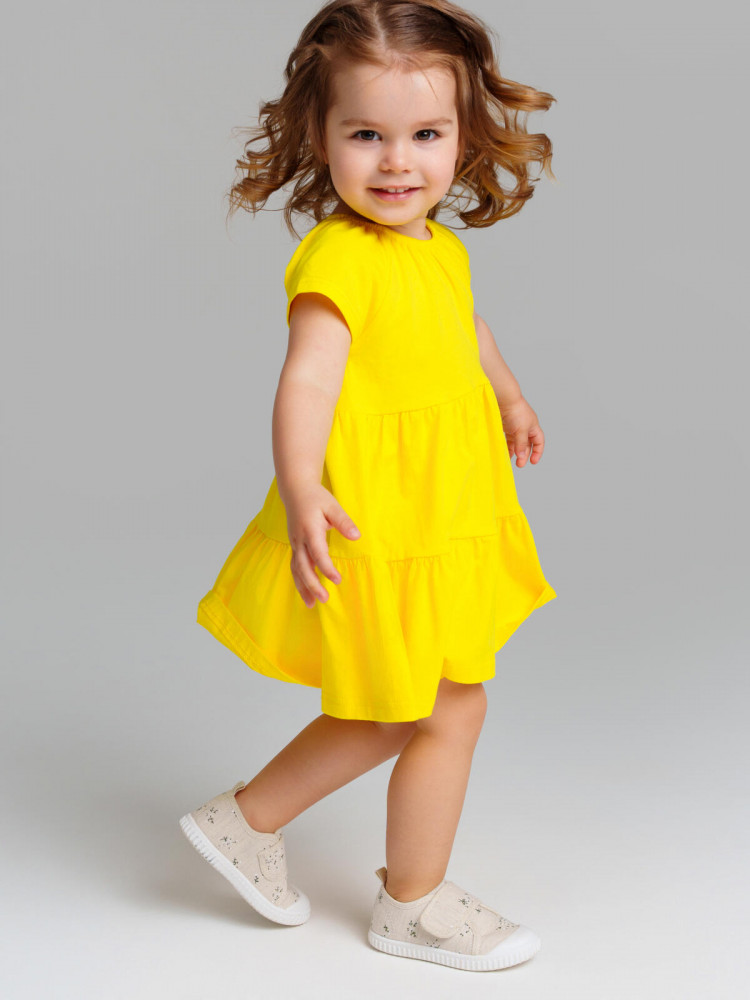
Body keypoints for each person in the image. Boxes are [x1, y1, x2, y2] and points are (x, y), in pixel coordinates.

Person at [179, 0, 558, 973]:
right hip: (379, 517)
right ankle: (402, 898)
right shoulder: (340, 258)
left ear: (463, 136)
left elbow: (465, 329)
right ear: (321, 135)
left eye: (425, 135)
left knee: (424, 704)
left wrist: (510, 395)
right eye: (367, 136)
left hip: (439, 509)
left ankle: (255, 824)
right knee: (424, 704)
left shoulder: (442, 247)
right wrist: (301, 485)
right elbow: (308, 379)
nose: (398, 162)